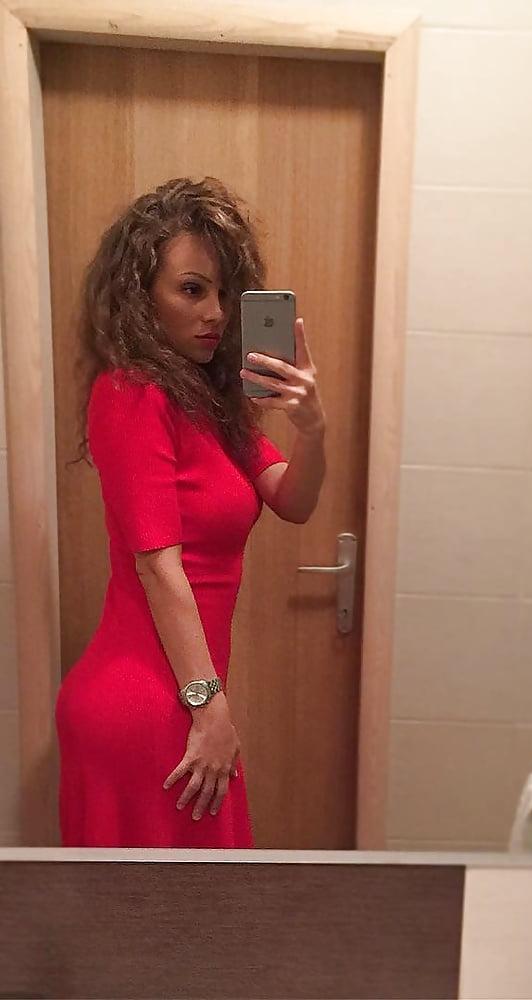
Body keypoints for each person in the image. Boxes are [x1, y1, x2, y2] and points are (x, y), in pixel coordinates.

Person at [55, 177, 327, 848]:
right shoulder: (132, 392)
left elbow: (293, 500)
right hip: (151, 704)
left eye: (226, 294)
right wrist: (209, 707)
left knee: (195, 908)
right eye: (192, 289)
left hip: (181, 697)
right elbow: (158, 566)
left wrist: (313, 429)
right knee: (183, 909)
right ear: (140, 296)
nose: (216, 313)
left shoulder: (209, 405)